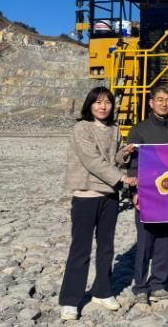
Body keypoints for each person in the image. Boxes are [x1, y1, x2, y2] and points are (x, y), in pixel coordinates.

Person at [59, 87, 137, 321]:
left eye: (107, 102)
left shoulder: (114, 130)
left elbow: (114, 160)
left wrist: (124, 154)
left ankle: (102, 291)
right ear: (90, 105)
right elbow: (92, 161)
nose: (103, 107)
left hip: (109, 197)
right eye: (98, 102)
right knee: (80, 248)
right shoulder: (81, 128)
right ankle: (70, 300)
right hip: (86, 195)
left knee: (106, 247)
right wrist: (122, 178)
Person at [127, 85, 168, 305]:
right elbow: (133, 165)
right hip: (146, 193)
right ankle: (140, 286)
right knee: (145, 240)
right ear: (151, 102)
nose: (164, 103)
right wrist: (134, 192)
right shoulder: (139, 130)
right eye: (160, 99)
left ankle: (158, 283)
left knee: (164, 239)